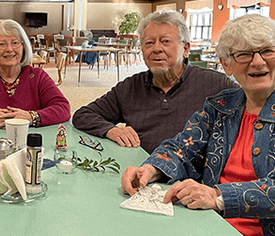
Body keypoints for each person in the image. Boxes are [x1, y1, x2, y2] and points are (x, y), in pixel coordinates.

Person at [122, 14, 275, 236]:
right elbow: (184, 145)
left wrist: (216, 196)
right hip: (208, 232)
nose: (258, 62)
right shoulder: (223, 105)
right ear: (226, 64)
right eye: (244, 54)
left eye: (267, 50)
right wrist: (150, 168)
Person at [72, 10, 234, 153]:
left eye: (166, 41)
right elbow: (83, 115)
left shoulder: (216, 84)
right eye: (149, 43)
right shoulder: (130, 87)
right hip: (141, 173)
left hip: (192, 181)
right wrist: (110, 130)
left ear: (185, 49)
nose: (156, 49)